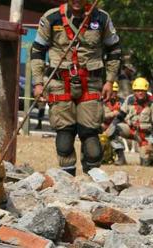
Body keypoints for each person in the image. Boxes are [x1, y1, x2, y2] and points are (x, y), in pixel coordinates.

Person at [31, 0, 121, 176]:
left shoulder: (101, 18)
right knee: (64, 137)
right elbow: (37, 51)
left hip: (92, 82)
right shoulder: (51, 18)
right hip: (59, 83)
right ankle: (68, 182)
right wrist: (38, 83)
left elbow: (114, 49)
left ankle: (93, 182)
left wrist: (110, 80)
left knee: (91, 138)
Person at [107, 77, 153, 166]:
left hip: (146, 135)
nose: (139, 92)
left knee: (146, 163)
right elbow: (121, 115)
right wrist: (111, 127)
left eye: (142, 90)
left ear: (146, 90)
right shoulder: (129, 99)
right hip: (131, 130)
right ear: (133, 91)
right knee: (113, 129)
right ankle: (121, 157)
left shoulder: (151, 102)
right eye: (137, 90)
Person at [101, 82, 126, 165]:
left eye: (115, 92)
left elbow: (125, 115)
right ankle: (101, 157)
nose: (113, 94)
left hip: (117, 126)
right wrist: (113, 114)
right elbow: (100, 117)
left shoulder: (122, 102)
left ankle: (121, 158)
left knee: (114, 133)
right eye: (112, 92)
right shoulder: (102, 101)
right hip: (103, 126)